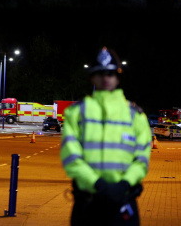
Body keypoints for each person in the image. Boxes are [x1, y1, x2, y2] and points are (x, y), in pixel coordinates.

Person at [60, 47, 151, 226]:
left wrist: (125, 185)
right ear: (92, 77)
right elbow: (71, 157)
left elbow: (141, 159)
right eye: (100, 73)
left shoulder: (135, 116)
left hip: (123, 202)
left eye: (110, 73)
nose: (105, 78)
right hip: (88, 205)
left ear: (118, 77)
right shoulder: (76, 114)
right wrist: (98, 185)